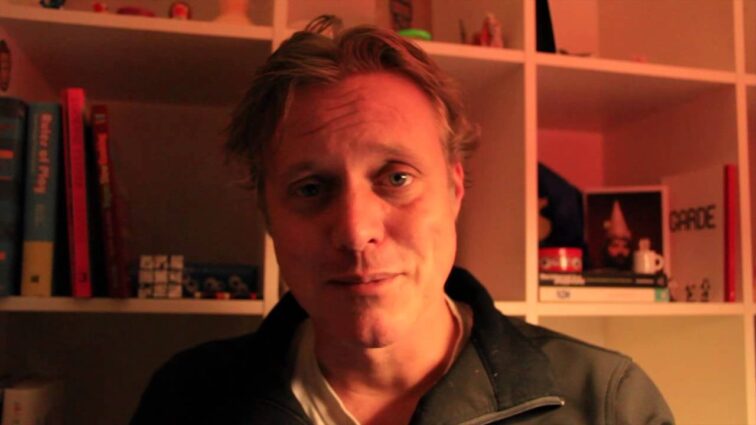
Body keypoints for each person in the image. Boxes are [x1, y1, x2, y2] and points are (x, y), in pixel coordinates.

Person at [131, 17, 674, 425]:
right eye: (311, 188)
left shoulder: (608, 404)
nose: (355, 232)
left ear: (455, 189)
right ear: (268, 214)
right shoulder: (186, 401)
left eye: (396, 178)